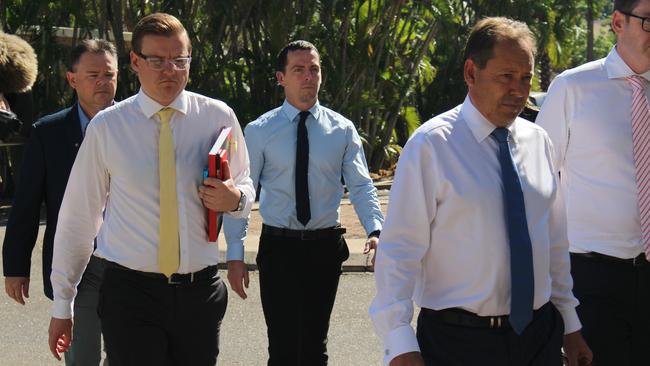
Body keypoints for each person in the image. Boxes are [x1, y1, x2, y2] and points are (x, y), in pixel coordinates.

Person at [370, 17, 593, 366]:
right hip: (457, 342)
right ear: (471, 73)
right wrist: (399, 343)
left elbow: (553, 243)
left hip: (538, 337)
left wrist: (570, 323)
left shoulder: (539, 142)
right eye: (506, 76)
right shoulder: (431, 146)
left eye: (526, 78)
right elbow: (399, 251)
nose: (519, 90)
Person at [47, 13, 254, 366]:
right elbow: (78, 219)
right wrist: (63, 303)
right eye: (157, 60)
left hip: (198, 292)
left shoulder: (217, 116)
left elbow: (245, 183)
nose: (169, 70)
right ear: (135, 62)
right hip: (131, 294)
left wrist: (236, 199)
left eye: (179, 59)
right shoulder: (108, 127)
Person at [226, 40, 384, 365]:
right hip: (278, 248)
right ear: (281, 78)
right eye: (298, 70)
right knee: (282, 349)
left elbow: (361, 185)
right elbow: (242, 195)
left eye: (314, 69)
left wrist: (376, 230)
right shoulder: (258, 131)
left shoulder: (341, 130)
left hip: (324, 249)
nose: (308, 77)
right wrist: (235, 254)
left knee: (315, 348)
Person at [536, 1, 650, 364]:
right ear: (618, 22)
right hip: (592, 277)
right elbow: (537, 182)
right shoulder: (573, 87)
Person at [3, 39, 117, 366]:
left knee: (129, 353)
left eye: (109, 75)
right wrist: (15, 266)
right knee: (82, 358)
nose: (102, 82)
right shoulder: (48, 133)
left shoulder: (138, 127)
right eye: (93, 74)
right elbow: (27, 202)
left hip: (129, 261)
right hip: (75, 264)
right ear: (72, 79)